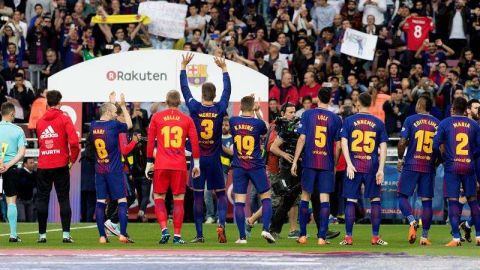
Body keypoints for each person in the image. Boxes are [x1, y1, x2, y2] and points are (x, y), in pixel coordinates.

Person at [180, 53, 231, 243]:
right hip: (215, 159)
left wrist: (183, 67)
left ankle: (200, 234)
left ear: (201, 94)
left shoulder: (194, 108)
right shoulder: (220, 108)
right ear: (215, 95)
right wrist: (224, 69)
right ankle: (221, 225)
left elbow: (185, 89)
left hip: (198, 160)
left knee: (198, 197)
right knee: (220, 194)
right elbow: (228, 91)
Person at [145, 90, 200, 245]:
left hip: (161, 164)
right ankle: (177, 235)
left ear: (165, 101)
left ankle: (164, 230)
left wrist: (149, 162)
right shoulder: (187, 119)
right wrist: (196, 164)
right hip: (179, 165)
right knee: (178, 200)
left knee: (159, 197)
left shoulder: (156, 117)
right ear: (180, 102)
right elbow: (195, 143)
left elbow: (150, 142)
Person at [291, 87, 342, 245]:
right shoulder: (335, 118)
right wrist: (334, 163)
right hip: (326, 162)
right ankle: (321, 237)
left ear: (317, 98)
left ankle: (303, 236)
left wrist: (295, 161)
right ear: (330, 100)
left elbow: (302, 139)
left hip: (309, 161)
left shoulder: (307, 114)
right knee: (324, 198)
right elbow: (338, 145)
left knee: (305, 197)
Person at [339, 92, 388, 246]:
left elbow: (344, 143)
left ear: (358, 103)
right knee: (375, 200)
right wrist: (381, 169)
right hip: (372, 166)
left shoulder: (349, 121)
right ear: (371, 104)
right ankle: (375, 237)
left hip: (354, 164)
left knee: (351, 200)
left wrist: (348, 163)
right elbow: (384, 147)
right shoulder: (378, 122)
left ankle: (348, 237)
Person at [433, 97, 480, 247]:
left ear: (452, 108)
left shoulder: (445, 123)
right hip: (468, 166)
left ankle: (456, 238)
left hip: (452, 166)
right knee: (473, 201)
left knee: (453, 201)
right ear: (466, 109)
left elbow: (435, 144)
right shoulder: (473, 124)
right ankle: (479, 236)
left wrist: (443, 157)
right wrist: (470, 156)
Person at [229, 95, 276, 244]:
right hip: (256, 165)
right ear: (253, 107)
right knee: (266, 198)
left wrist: (249, 107)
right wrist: (259, 110)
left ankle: (242, 237)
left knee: (240, 202)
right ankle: (266, 229)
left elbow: (238, 122)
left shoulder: (233, 121)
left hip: (239, 166)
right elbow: (266, 128)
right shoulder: (257, 123)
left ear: (241, 107)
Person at [35, 90, 80, 243]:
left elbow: (41, 142)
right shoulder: (64, 118)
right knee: (63, 199)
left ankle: (42, 236)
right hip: (61, 164)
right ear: (60, 103)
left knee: (42, 199)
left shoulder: (40, 122)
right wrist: (71, 160)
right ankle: (66, 235)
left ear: (47, 103)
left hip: (43, 165)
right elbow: (74, 143)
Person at [90, 93, 133, 244]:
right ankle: (122, 234)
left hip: (100, 170)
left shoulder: (93, 126)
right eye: (114, 113)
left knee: (100, 202)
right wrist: (122, 106)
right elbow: (129, 124)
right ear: (108, 112)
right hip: (114, 170)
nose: (116, 116)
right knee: (122, 200)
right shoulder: (114, 126)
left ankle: (102, 236)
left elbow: (105, 112)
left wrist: (111, 103)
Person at [396, 96, 439, 246]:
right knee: (427, 202)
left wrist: (400, 159)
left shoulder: (410, 120)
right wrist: (436, 163)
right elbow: (441, 149)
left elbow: (402, 142)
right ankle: (424, 237)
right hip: (428, 166)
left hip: (412, 164)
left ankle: (412, 221)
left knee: (402, 196)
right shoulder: (437, 123)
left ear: (420, 104)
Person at [0, 102, 26, 242]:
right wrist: (8, 165)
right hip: (10, 169)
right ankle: (13, 235)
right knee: (11, 201)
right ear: (12, 114)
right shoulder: (18, 130)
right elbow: (22, 153)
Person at [16, 157, 37, 222]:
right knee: (22, 219)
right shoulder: (20, 172)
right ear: (25, 164)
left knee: (31, 220)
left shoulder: (35, 173)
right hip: (20, 200)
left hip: (30, 200)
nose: (33, 164)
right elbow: (24, 183)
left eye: (33, 162)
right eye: (31, 163)